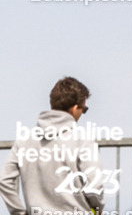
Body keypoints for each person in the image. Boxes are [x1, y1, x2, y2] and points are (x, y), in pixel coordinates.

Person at [0, 77, 102, 215]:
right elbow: (94, 187)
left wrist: (18, 212)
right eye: (83, 109)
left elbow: (3, 180)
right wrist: (97, 209)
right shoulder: (82, 139)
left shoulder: (25, 140)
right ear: (74, 108)